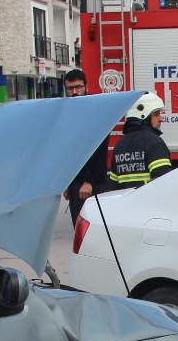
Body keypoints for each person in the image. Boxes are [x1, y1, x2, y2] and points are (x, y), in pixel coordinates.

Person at [62, 68, 109, 224]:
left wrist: (89, 182)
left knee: (91, 231)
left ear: (86, 87)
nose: (75, 92)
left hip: (91, 183)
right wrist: (66, 183)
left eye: (78, 87)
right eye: (70, 88)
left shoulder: (96, 112)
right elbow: (67, 152)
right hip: (76, 182)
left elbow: (98, 149)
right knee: (78, 228)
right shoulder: (68, 114)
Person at [107, 93, 172, 190]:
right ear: (143, 117)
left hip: (124, 204)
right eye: (156, 114)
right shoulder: (154, 142)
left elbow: (113, 187)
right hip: (149, 203)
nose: (160, 119)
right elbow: (164, 181)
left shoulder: (120, 144)